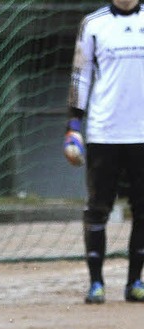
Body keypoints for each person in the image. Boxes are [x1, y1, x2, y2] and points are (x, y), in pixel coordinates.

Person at [63, 0, 144, 304]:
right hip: (104, 132)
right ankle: (96, 283)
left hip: (141, 133)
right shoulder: (93, 24)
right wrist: (73, 125)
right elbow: (79, 76)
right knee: (98, 208)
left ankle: (135, 281)